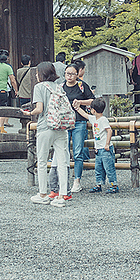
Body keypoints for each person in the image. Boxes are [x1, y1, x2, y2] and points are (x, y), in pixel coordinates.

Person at [22, 62, 70, 207]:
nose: (36, 75)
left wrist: (29, 113)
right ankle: (62, 195)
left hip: (45, 126)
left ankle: (43, 193)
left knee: (42, 161)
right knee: (62, 163)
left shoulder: (39, 87)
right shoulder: (59, 87)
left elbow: (39, 108)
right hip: (61, 127)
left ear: (41, 74)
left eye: (37, 73)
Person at [62, 61, 96, 194]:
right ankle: (63, 180)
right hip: (64, 122)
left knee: (77, 152)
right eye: (67, 74)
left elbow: (92, 100)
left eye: (72, 74)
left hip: (79, 122)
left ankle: (77, 181)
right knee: (63, 151)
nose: (69, 76)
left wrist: (80, 102)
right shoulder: (61, 87)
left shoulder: (82, 86)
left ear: (77, 74)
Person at [79, 97, 118, 194]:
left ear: (93, 110)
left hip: (105, 148)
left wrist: (107, 144)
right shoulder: (93, 119)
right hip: (98, 149)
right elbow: (84, 114)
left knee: (109, 167)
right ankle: (98, 184)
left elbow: (109, 130)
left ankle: (114, 185)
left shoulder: (103, 120)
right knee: (98, 167)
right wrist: (77, 107)